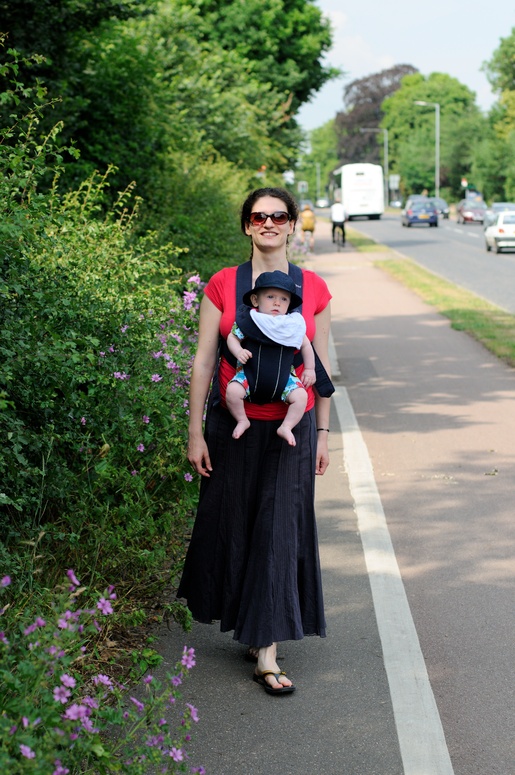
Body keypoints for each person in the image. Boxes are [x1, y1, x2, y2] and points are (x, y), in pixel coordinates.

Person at [177, 187, 332, 696]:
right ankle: (252, 623)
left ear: (291, 225)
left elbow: (320, 368)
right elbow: (204, 360)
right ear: (247, 225)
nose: (269, 223)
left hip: (291, 430)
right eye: (259, 216)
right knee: (236, 524)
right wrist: (195, 430)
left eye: (279, 216)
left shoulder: (314, 288)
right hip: (232, 425)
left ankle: (267, 651)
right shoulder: (224, 283)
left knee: (278, 530)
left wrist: (323, 433)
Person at [225, 270, 316, 445]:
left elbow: (306, 345)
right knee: (232, 391)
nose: (277, 303)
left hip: (285, 378)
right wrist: (238, 351)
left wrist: (310, 369)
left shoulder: (291, 325)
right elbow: (232, 337)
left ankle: (286, 426)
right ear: (255, 300)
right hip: (249, 375)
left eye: (284, 299)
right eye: (270, 297)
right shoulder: (250, 320)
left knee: (301, 397)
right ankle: (242, 419)